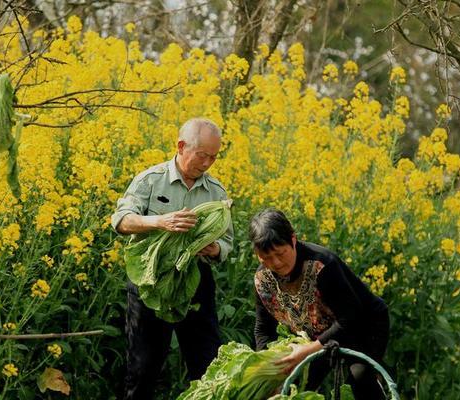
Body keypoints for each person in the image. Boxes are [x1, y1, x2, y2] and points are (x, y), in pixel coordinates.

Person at [111, 118, 234, 400]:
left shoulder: (217, 191)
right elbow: (121, 221)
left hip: (196, 282)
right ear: (181, 146)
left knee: (207, 364)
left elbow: (227, 243)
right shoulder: (150, 180)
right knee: (143, 367)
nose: (207, 163)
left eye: (213, 157)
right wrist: (159, 222)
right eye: (202, 155)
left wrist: (213, 249)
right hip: (150, 280)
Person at [249, 208, 389, 399]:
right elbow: (263, 328)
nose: (276, 263)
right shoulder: (262, 279)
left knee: (361, 381)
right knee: (295, 387)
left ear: (293, 239)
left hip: (362, 326)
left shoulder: (322, 265)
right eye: (266, 258)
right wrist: (269, 370)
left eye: (280, 254)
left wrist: (310, 349)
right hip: (314, 334)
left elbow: (350, 317)